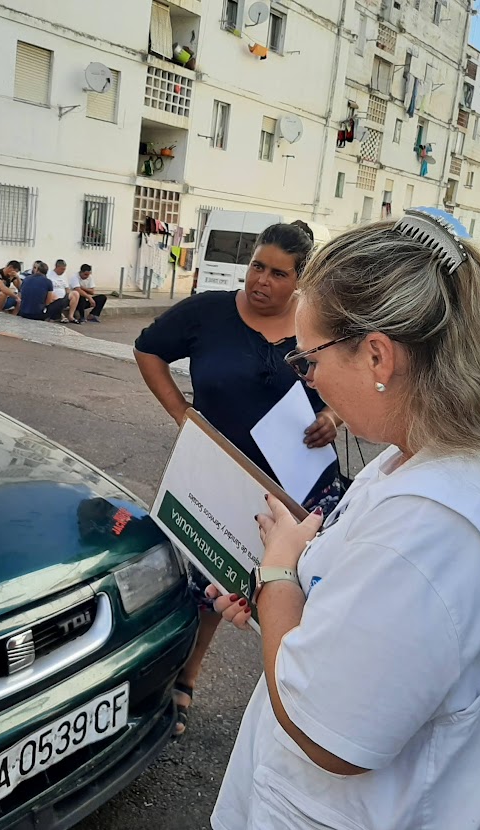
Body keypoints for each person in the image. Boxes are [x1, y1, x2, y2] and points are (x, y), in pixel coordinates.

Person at [208, 211, 480, 830]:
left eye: (307, 360)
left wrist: (280, 575)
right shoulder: (472, 453)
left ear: (377, 356)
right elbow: (402, 631)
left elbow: (328, 735)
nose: (308, 380)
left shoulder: (435, 524)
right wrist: (280, 607)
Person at [134, 220, 343, 737]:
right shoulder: (209, 313)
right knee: (213, 588)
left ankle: (307, 699)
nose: (261, 280)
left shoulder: (320, 323)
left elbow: (351, 379)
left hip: (299, 486)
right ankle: (186, 675)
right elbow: (147, 348)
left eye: (277, 273)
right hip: (219, 476)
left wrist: (334, 416)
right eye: (257, 266)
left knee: (305, 591)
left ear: (300, 279)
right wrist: (181, 411)